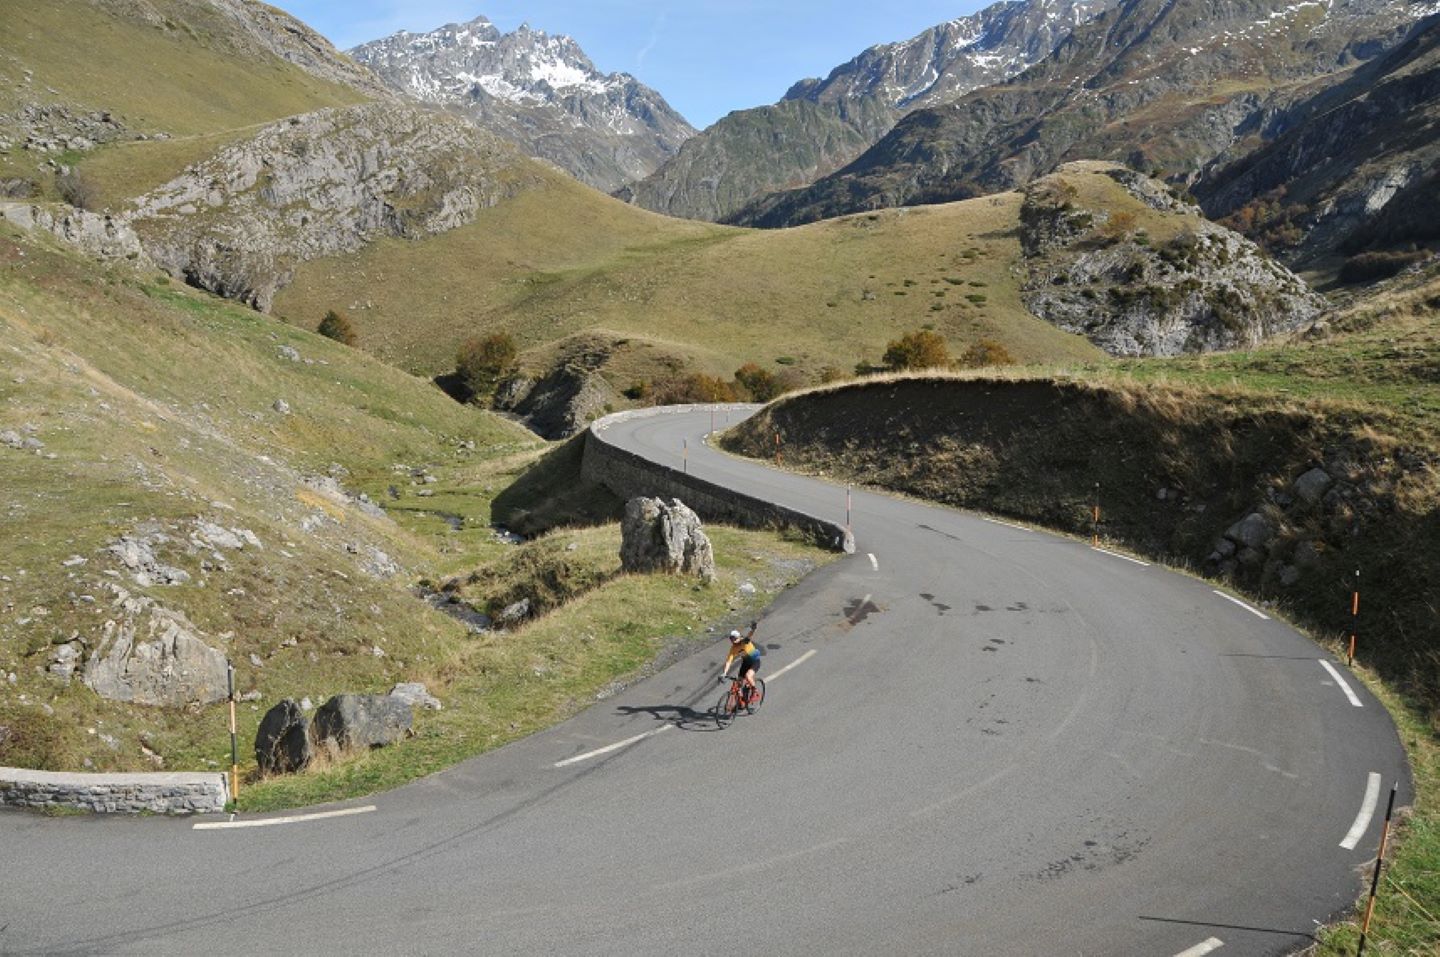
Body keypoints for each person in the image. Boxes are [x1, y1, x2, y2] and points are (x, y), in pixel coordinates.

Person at [720, 620, 762, 703]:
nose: (733, 641)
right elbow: (728, 661)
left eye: (735, 638)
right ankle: (742, 701)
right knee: (739, 682)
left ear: (739, 637)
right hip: (745, 663)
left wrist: (753, 629)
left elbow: (749, 635)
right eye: (731, 639)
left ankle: (755, 692)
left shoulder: (744, 641)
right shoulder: (733, 649)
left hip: (755, 661)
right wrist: (724, 673)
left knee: (748, 676)